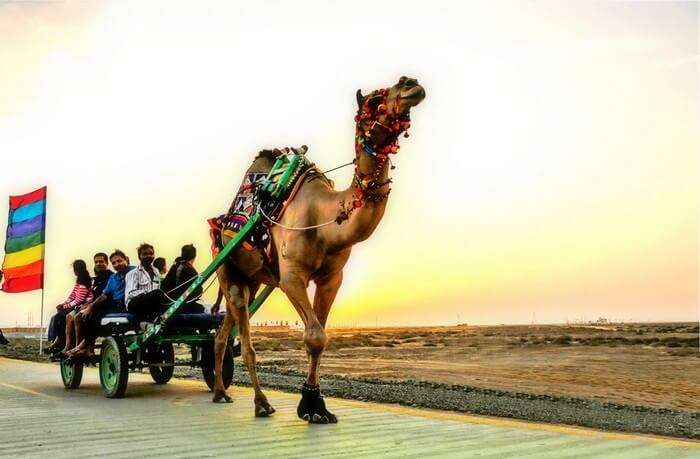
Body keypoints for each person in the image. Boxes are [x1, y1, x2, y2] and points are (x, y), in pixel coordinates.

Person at [69, 250, 134, 357]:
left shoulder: (134, 271)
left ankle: (84, 345)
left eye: (119, 261)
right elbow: (104, 295)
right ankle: (84, 346)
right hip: (117, 304)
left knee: (95, 313)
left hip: (128, 304)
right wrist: (90, 307)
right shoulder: (114, 278)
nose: (117, 264)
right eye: (114, 263)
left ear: (126, 260)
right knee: (89, 313)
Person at [60, 252, 112, 356]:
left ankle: (83, 348)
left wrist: (90, 305)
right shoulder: (96, 279)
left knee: (79, 317)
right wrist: (88, 303)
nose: (98, 264)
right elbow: (91, 295)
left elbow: (105, 295)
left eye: (101, 261)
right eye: (96, 262)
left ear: (107, 263)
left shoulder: (110, 277)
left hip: (105, 305)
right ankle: (73, 346)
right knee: (69, 316)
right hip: (93, 304)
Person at [46, 260, 93, 353]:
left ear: (77, 270)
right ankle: (57, 340)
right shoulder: (79, 280)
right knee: (56, 316)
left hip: (82, 305)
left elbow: (79, 300)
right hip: (76, 304)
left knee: (60, 317)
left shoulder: (84, 281)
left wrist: (66, 306)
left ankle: (61, 342)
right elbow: (72, 295)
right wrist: (64, 304)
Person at [125, 243, 169, 321]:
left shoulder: (156, 271)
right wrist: (149, 294)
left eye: (151, 253)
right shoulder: (133, 273)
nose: (148, 256)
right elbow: (131, 293)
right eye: (145, 254)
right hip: (134, 303)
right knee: (158, 293)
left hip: (150, 303)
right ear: (139, 257)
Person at [163, 244, 204, 314]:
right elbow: (198, 292)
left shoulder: (174, 267)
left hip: (168, 304)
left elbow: (164, 285)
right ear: (194, 256)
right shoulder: (192, 271)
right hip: (181, 306)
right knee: (201, 308)